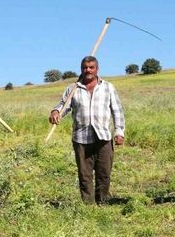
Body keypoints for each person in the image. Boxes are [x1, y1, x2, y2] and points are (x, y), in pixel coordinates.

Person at [49, 56, 125, 205]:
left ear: (97, 69)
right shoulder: (73, 89)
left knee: (104, 173)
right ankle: (88, 206)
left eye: (91, 67)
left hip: (103, 137)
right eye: (85, 67)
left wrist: (119, 131)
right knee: (85, 175)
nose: (88, 70)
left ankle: (102, 203)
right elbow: (63, 106)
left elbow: (117, 111)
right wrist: (55, 112)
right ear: (81, 69)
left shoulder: (108, 87)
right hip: (81, 138)